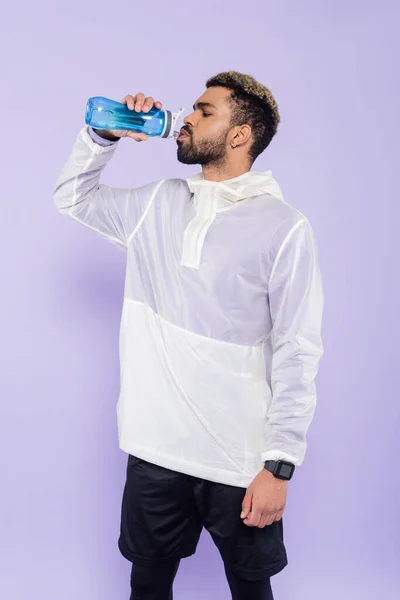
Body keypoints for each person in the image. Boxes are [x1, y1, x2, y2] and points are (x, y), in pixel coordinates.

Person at [53, 70, 324, 600]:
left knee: (251, 589)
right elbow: (73, 198)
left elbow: (298, 349)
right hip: (154, 448)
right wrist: (102, 138)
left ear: (240, 135)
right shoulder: (157, 202)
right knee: (147, 584)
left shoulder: (285, 226)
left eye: (204, 112)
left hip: (238, 459)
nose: (186, 119)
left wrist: (279, 466)